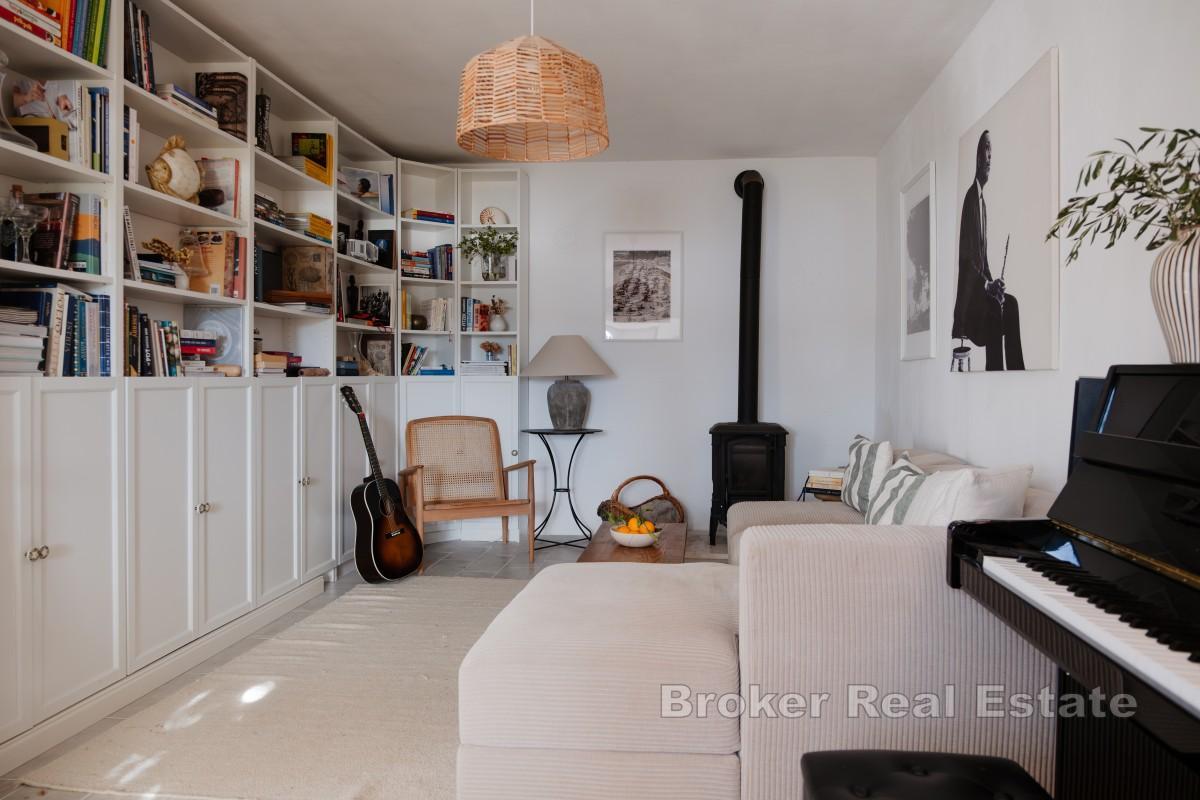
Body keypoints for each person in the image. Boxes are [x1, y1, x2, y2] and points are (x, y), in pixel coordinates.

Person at [953, 130, 1024, 370]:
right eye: (986, 148)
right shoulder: (970, 199)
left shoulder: (983, 204)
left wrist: (995, 285)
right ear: (977, 157)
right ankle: (995, 370)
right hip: (971, 306)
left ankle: (1016, 370)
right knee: (995, 307)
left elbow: (982, 261)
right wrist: (986, 286)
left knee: (1010, 303)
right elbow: (967, 261)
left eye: (991, 150)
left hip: (983, 293)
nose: (990, 156)